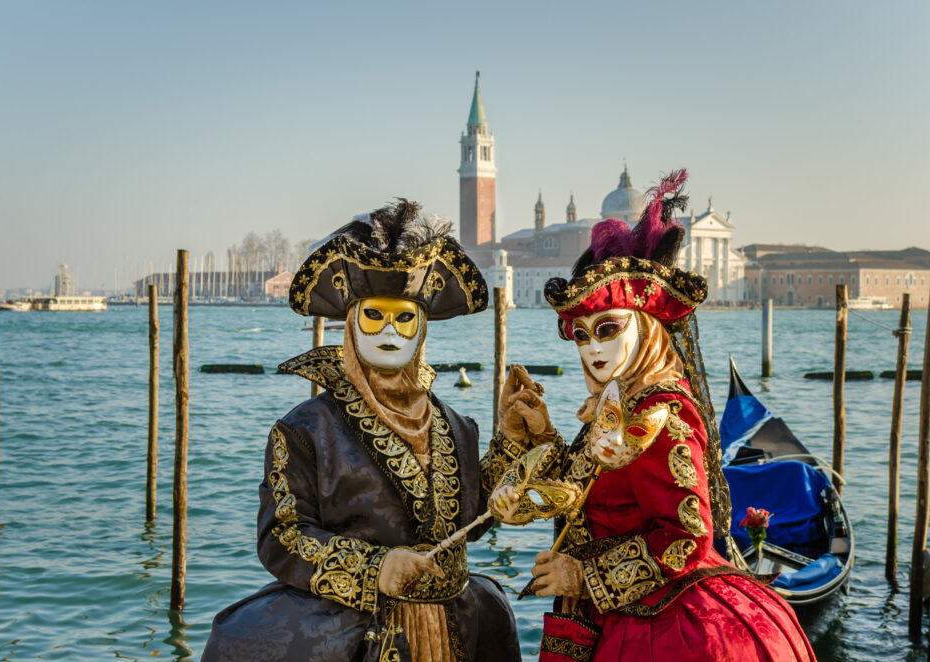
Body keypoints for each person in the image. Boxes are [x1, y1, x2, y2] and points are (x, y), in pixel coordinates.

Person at [489, 171, 816, 661]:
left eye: (607, 329)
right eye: (581, 335)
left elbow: (687, 536)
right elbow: (588, 493)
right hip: (606, 615)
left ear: (645, 330)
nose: (593, 349)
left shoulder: (662, 411)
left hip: (664, 626)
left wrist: (584, 576)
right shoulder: (618, 405)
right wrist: (543, 432)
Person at [202, 200, 523, 662]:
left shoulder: (457, 425)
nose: (389, 329)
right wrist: (375, 569)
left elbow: (470, 519)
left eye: (404, 316)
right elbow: (282, 535)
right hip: (355, 635)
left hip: (460, 626)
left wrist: (512, 444)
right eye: (375, 315)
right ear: (351, 324)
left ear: (421, 329)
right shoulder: (304, 431)